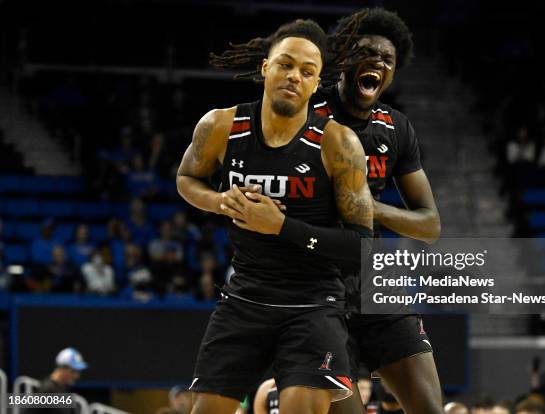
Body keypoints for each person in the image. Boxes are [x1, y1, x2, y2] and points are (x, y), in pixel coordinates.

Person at [239, 8, 442, 414]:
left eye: (388, 59)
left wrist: (370, 207)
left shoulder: (396, 128)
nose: (378, 62)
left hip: (373, 283)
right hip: (314, 289)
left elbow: (430, 225)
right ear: (343, 59)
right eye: (367, 52)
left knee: (431, 409)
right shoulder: (306, 117)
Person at [176, 17, 372, 414]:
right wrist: (219, 201)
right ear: (265, 67)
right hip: (245, 295)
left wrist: (283, 227)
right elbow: (186, 178)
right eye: (285, 64)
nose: (294, 76)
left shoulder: (338, 144)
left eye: (307, 71)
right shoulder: (221, 126)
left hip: (313, 302)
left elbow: (361, 247)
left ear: (317, 84)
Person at [25, 348, 88, 414]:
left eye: (78, 372)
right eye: (73, 371)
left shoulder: (64, 389)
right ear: (62, 369)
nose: (76, 376)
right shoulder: (47, 390)